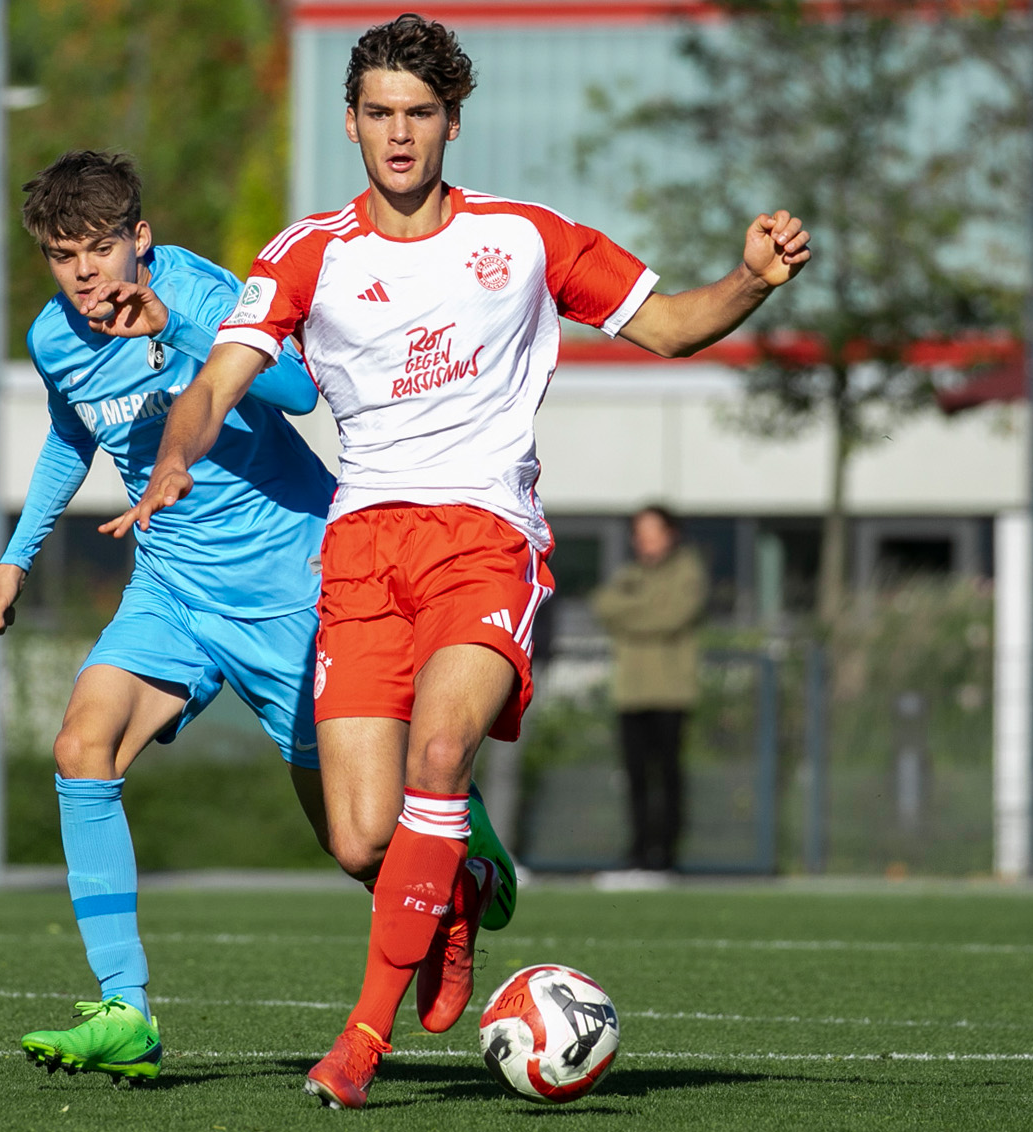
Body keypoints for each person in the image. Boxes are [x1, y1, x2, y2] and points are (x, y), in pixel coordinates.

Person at [101, 13, 810, 1108]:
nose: (398, 134)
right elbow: (215, 380)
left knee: (441, 752)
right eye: (379, 113)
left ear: (451, 124)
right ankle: (465, 885)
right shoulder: (306, 252)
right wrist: (171, 463)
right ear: (350, 122)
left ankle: (361, 1041)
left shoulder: (523, 238)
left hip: (483, 539)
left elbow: (667, 327)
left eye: (419, 114)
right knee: (354, 838)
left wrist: (750, 277)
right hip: (362, 552)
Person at [0, 150, 341, 1083]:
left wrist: (177, 328)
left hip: (292, 586)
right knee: (79, 747)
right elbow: (69, 437)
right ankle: (126, 1006)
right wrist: (14, 561)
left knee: (356, 843)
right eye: (62, 255)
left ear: (140, 238)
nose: (84, 273)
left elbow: (300, 391)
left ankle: (460, 846)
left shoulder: (198, 287)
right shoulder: (53, 338)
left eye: (100, 248)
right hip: (173, 588)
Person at [592, 505, 708, 877]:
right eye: (639, 534)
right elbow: (603, 605)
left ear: (671, 533)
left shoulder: (688, 569)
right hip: (631, 692)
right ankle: (639, 851)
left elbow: (673, 614)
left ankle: (667, 855)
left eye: (652, 532)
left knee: (669, 776)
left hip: (671, 692)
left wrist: (631, 615)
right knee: (636, 777)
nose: (645, 541)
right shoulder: (629, 573)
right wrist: (647, 610)